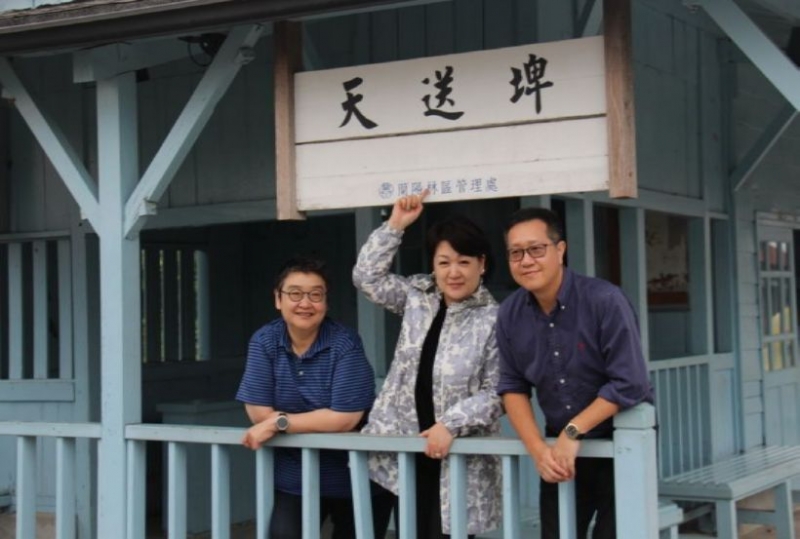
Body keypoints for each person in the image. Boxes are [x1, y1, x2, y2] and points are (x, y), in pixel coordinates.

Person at [495, 207, 654, 539]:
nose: (526, 261)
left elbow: (630, 382)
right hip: (559, 444)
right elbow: (512, 385)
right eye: (516, 253)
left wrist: (573, 431)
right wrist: (539, 450)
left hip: (621, 435)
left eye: (536, 249)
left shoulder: (604, 300)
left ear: (560, 249)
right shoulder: (510, 313)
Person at [353, 191, 503, 539]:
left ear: (481, 264)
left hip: (457, 454)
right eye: (444, 262)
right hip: (406, 451)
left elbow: (498, 391)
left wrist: (450, 425)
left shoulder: (496, 319)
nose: (454, 272)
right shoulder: (416, 298)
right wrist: (395, 225)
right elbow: (367, 277)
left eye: (464, 261)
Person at [236, 256, 376, 539]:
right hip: (294, 478)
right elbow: (258, 413)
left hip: (355, 476)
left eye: (315, 295)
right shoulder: (264, 341)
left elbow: (345, 418)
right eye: (295, 293)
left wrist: (279, 422)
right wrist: (309, 419)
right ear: (278, 299)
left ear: (326, 302)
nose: (305, 303)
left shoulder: (345, 343)